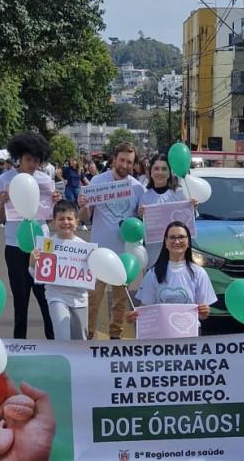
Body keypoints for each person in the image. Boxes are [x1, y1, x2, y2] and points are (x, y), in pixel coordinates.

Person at [78, 142, 145, 340]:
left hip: (124, 256)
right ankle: (88, 338)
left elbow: (139, 225)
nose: (125, 165)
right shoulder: (97, 183)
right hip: (98, 254)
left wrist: (142, 215)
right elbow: (83, 217)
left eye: (130, 162)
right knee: (92, 299)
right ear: (114, 160)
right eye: (122, 160)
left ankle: (115, 338)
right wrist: (83, 205)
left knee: (119, 302)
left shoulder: (138, 188)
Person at [0, 131, 57, 340]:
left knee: (46, 296)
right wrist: (2, 202)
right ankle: (19, 345)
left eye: (36, 160)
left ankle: (54, 341)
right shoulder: (5, 179)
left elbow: (49, 219)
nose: (32, 165)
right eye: (28, 159)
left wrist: (54, 204)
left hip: (43, 245)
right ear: (19, 158)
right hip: (15, 246)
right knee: (20, 299)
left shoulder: (45, 180)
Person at [129, 221, 217, 326]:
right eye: (172, 237)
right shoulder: (153, 273)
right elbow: (146, 309)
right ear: (166, 242)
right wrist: (132, 317)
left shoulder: (199, 273)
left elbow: (202, 314)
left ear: (188, 242)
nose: (177, 241)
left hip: (189, 335)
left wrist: (205, 312)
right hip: (162, 335)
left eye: (181, 237)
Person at [31, 201, 89, 341]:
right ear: (54, 221)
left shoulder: (85, 247)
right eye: (61, 219)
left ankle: (78, 363)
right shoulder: (48, 244)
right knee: (62, 337)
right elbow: (38, 276)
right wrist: (33, 263)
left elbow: (91, 276)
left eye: (70, 219)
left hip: (79, 299)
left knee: (80, 340)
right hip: (56, 296)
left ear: (77, 221)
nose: (66, 222)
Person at [137, 153, 197, 270]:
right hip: (153, 256)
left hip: (177, 256)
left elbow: (190, 222)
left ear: (170, 172)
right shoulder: (145, 197)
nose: (160, 172)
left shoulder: (180, 193)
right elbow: (141, 229)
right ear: (151, 172)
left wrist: (193, 207)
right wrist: (140, 217)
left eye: (164, 169)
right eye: (156, 169)